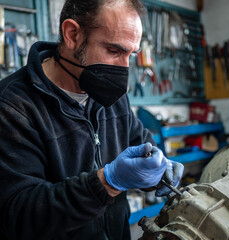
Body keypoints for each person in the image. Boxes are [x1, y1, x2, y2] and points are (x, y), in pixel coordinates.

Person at [0, 0, 184, 239]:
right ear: (72, 34)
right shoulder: (12, 107)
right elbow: (18, 215)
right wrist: (107, 182)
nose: (124, 69)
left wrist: (156, 170)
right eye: (114, 51)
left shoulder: (111, 94)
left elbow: (139, 143)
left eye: (131, 54)